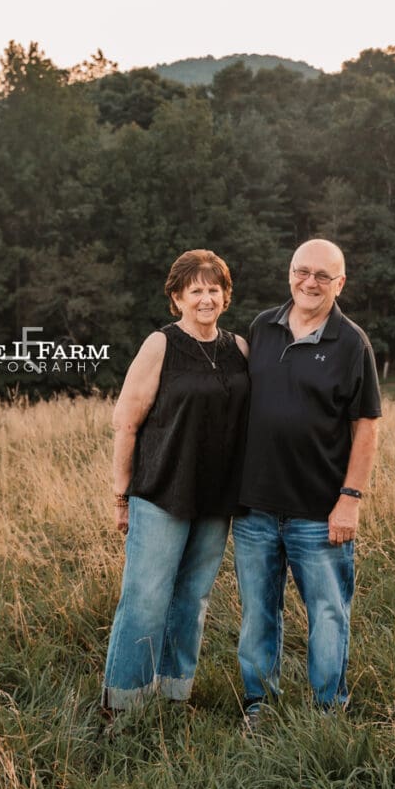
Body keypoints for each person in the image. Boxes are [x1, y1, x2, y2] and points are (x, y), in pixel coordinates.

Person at [233, 238, 381, 722]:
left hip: (319, 512)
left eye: (322, 275)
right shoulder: (262, 327)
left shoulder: (352, 343)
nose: (310, 282)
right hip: (255, 508)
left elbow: (366, 427)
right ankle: (260, 705)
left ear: (340, 283)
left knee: (328, 614)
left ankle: (327, 711)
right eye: (302, 271)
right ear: (289, 273)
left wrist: (350, 498)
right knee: (259, 613)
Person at [102, 249, 249, 712]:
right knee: (146, 598)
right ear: (177, 298)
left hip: (215, 497)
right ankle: (123, 705)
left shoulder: (240, 348)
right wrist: (121, 495)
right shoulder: (160, 345)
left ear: (226, 296)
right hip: (161, 491)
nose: (206, 298)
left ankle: (172, 695)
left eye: (214, 289)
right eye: (196, 291)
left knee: (192, 600)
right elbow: (126, 422)